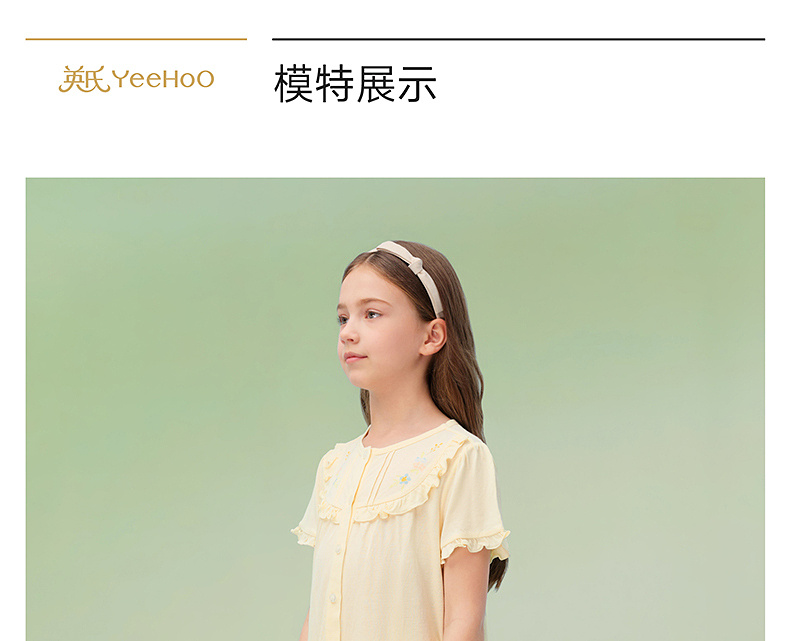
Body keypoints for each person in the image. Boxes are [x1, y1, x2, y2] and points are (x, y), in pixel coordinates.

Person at [291, 241, 510, 641]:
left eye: (371, 314)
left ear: (432, 336)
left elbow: (463, 623)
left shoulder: (457, 458)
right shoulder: (335, 467)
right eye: (343, 318)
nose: (348, 333)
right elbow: (319, 612)